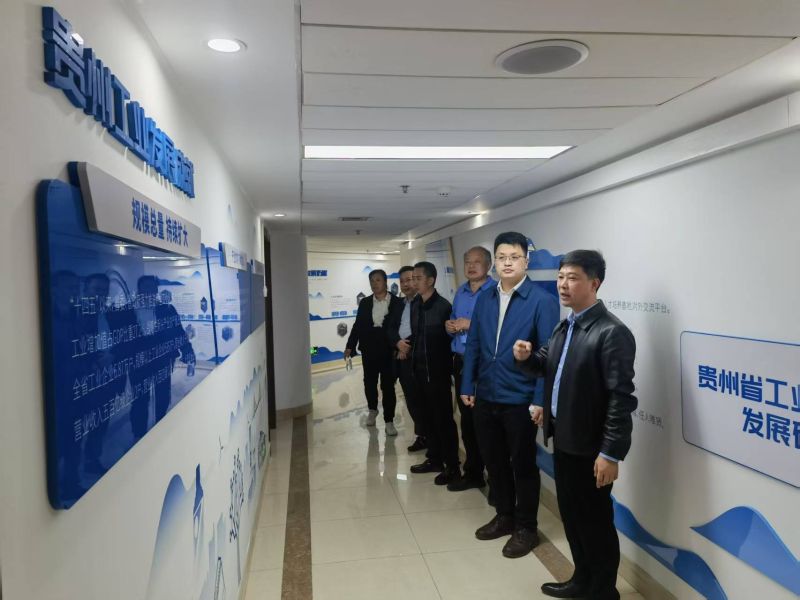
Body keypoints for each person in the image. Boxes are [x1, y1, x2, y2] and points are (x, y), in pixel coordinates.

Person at [513, 250, 637, 600]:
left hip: (591, 448)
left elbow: (620, 398)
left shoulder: (611, 332)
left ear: (594, 283)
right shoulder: (566, 325)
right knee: (573, 517)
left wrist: (610, 453)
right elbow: (548, 366)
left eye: (573, 278)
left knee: (595, 522)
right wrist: (526, 358)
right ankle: (582, 580)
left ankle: (603, 591)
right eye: (561, 277)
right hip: (565, 439)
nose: (563, 285)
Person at [461, 231, 559, 558]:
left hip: (520, 398)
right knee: (494, 461)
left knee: (523, 465)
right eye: (502, 257)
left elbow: (548, 355)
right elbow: (474, 344)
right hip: (486, 394)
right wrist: (467, 384)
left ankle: (526, 527)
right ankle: (504, 515)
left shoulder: (542, 301)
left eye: (514, 257)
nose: (507, 263)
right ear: (495, 262)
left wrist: (539, 399)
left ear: (526, 262)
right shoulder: (486, 298)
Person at [445, 246, 495, 492]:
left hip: (485, 364)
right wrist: (450, 326)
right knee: (467, 421)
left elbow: (499, 328)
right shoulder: (461, 292)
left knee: (487, 422)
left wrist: (470, 324)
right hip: (461, 361)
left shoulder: (496, 291)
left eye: (477, 261)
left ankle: (496, 479)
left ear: (489, 265)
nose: (471, 266)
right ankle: (473, 473)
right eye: (467, 261)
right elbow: (455, 322)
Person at [408, 261, 461, 485]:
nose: (414, 282)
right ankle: (434, 459)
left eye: (418, 278)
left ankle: (452, 466)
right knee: (427, 419)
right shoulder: (415, 304)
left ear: (430, 280)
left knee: (443, 421)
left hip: (437, 374)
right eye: (413, 278)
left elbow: (449, 342)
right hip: (418, 372)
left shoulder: (443, 307)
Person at [345, 269, 403, 435]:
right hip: (369, 350)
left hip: (389, 351)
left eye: (378, 280)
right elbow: (357, 326)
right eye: (371, 280)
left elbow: (402, 327)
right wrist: (350, 346)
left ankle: (389, 420)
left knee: (388, 386)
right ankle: (372, 409)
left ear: (385, 282)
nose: (374, 284)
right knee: (369, 383)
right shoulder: (365, 303)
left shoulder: (397, 302)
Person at [387, 265, 427, 452]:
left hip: (418, 359)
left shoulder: (423, 302)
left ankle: (431, 437)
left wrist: (406, 346)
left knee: (423, 399)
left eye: (410, 279)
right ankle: (421, 436)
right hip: (401, 358)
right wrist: (397, 343)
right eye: (402, 281)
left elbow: (421, 329)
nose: (405, 284)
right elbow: (390, 328)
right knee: (411, 399)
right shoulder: (398, 304)